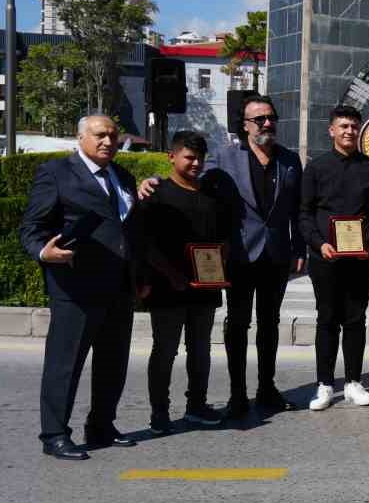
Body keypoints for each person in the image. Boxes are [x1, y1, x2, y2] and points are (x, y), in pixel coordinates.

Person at [19, 114, 141, 461]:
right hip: (75, 285)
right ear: (81, 137)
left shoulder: (124, 177)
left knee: (112, 362)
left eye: (114, 136)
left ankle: (101, 425)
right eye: (100, 135)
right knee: (65, 363)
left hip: (118, 285)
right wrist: (44, 251)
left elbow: (127, 229)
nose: (108, 141)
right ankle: (55, 434)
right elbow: (32, 228)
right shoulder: (56, 173)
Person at [186, 94, 305, 427]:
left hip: (277, 256)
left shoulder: (290, 160)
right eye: (259, 119)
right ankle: (238, 394)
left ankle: (267, 389)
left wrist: (299, 250)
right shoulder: (224, 158)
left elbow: (296, 209)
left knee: (270, 323)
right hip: (239, 255)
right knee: (237, 324)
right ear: (245, 125)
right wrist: (153, 183)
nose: (267, 124)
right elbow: (192, 185)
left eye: (271, 117)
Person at [137, 131, 233, 434]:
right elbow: (144, 244)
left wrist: (222, 262)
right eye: (189, 157)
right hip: (167, 289)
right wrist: (170, 275)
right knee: (165, 350)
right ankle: (159, 412)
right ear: (172, 157)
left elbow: (222, 238)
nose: (195, 163)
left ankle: (197, 406)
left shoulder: (211, 195)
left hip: (205, 289)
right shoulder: (155, 194)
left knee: (201, 349)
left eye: (199, 158)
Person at [299, 105, 369, 411]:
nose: (349, 131)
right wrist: (318, 243)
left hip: (359, 259)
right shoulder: (316, 168)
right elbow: (305, 214)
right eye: (343, 126)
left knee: (355, 319)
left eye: (353, 126)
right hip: (326, 258)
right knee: (327, 319)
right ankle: (324, 384)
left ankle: (353, 382)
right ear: (331, 130)